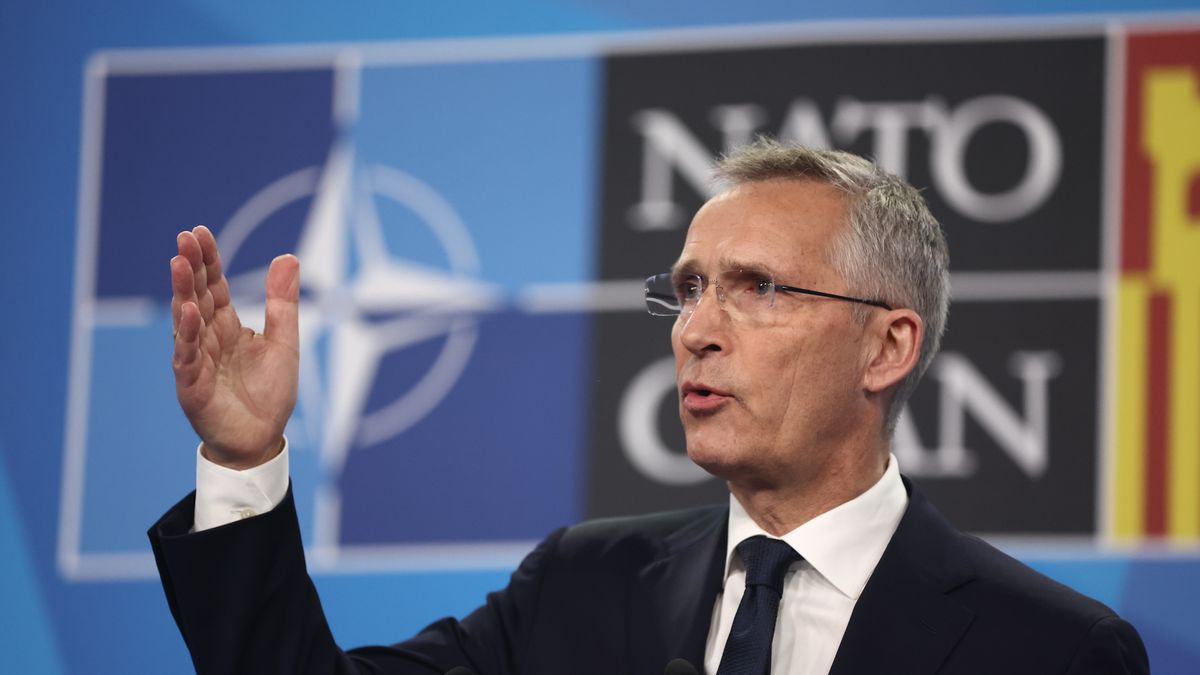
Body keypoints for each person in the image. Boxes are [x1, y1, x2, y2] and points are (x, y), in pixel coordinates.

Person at [150, 140, 1149, 674]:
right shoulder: (582, 587)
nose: (694, 330)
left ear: (888, 347)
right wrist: (244, 460)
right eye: (688, 288)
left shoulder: (1053, 651)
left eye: (757, 288)